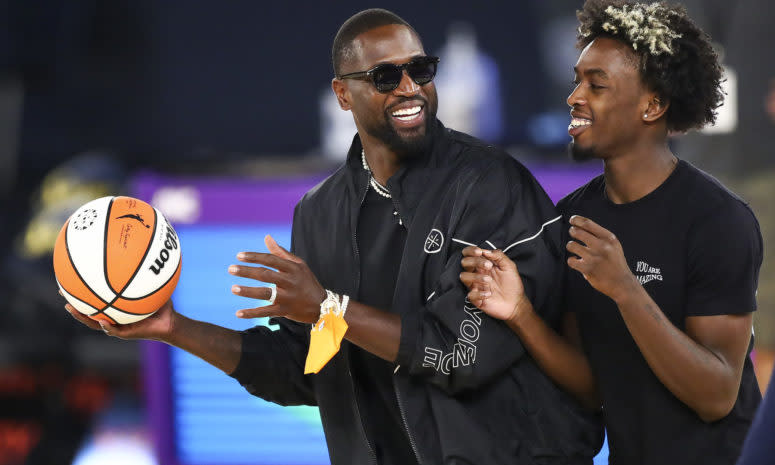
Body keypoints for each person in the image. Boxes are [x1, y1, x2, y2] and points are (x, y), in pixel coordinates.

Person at [62, 8, 602, 465]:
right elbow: (306, 372)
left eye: (421, 69)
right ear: (343, 95)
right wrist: (172, 326)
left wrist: (328, 308)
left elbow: (461, 355)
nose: (410, 87)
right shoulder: (318, 215)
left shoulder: (491, 186)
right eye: (386, 77)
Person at [460, 1, 762, 464]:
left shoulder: (718, 220)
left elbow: (717, 395)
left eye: (596, 85)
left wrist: (626, 289)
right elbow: (592, 389)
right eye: (577, 81)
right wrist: (520, 312)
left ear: (653, 105)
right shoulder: (571, 220)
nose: (575, 97)